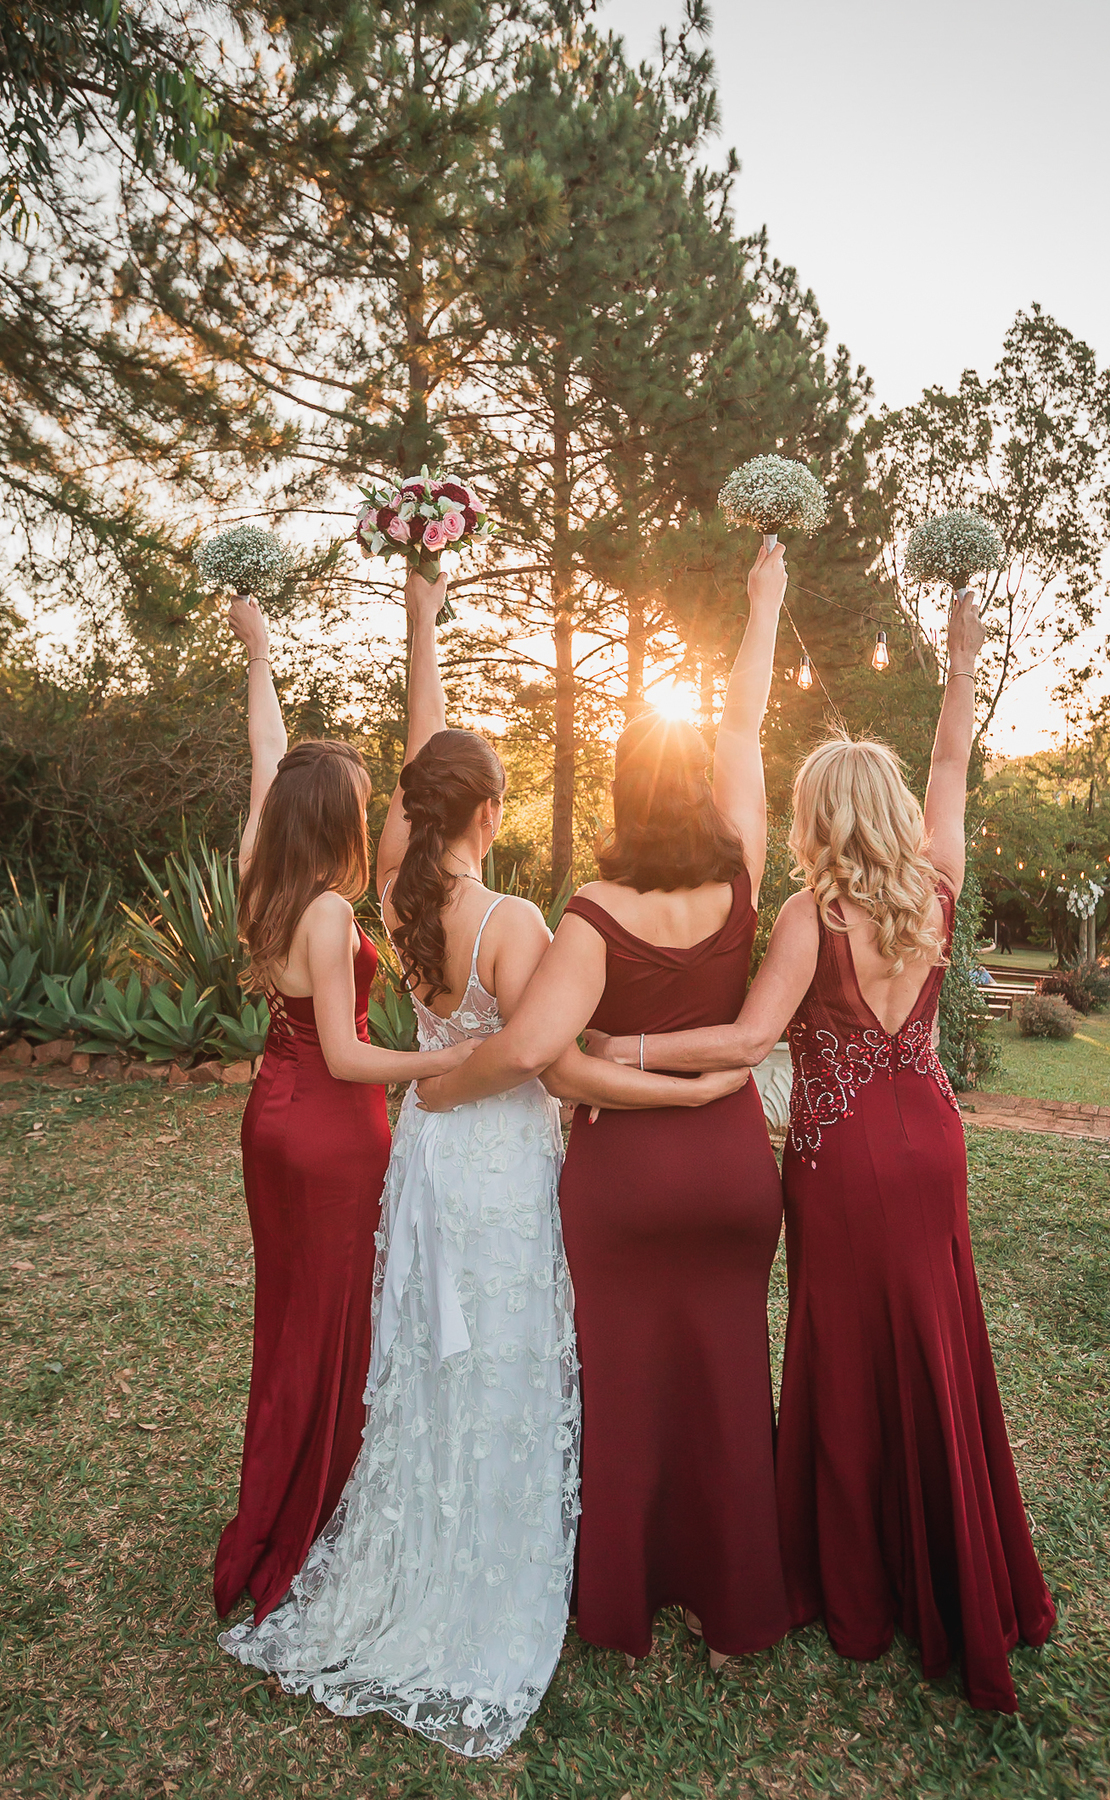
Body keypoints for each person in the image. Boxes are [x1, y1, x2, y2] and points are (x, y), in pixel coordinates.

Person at [220, 570, 739, 1757]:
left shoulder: (400, 917)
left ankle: (417, 1547)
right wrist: (674, 1082)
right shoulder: (514, 925)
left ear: (419, 814)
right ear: (492, 813)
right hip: (492, 1162)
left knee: (427, 1360)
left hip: (425, 1167)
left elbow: (467, 1038)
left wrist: (417, 622)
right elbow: (541, 1061)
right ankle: (492, 1578)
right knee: (500, 1359)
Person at [588, 593, 1056, 1712]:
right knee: (940, 1349)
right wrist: (961, 660)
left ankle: (856, 1579)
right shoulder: (933, 887)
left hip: (843, 1159)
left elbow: (752, 1040)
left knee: (844, 1357)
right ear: (887, 808)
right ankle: (952, 1566)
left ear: (813, 816)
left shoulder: (814, 915)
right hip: (931, 1142)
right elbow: (954, 757)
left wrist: (629, 1040)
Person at [418, 545, 793, 1672]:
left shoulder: (591, 910)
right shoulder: (742, 885)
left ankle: (620, 1609)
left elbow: (534, 1048)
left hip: (626, 1179)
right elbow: (741, 734)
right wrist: (762, 603)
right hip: (731, 1166)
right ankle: (738, 1614)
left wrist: (462, 1076)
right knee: (730, 1375)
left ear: (623, 794)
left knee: (623, 1378)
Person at [213, 596, 473, 1627]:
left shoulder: (260, 874)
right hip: (328, 1132)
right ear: (340, 822)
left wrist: (260, 651)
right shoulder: (326, 912)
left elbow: (266, 751)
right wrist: (447, 1058)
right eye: (365, 806)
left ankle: (284, 1493)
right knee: (332, 1325)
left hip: (269, 1124)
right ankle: (313, 1511)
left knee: (291, 1319)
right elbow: (346, 1052)